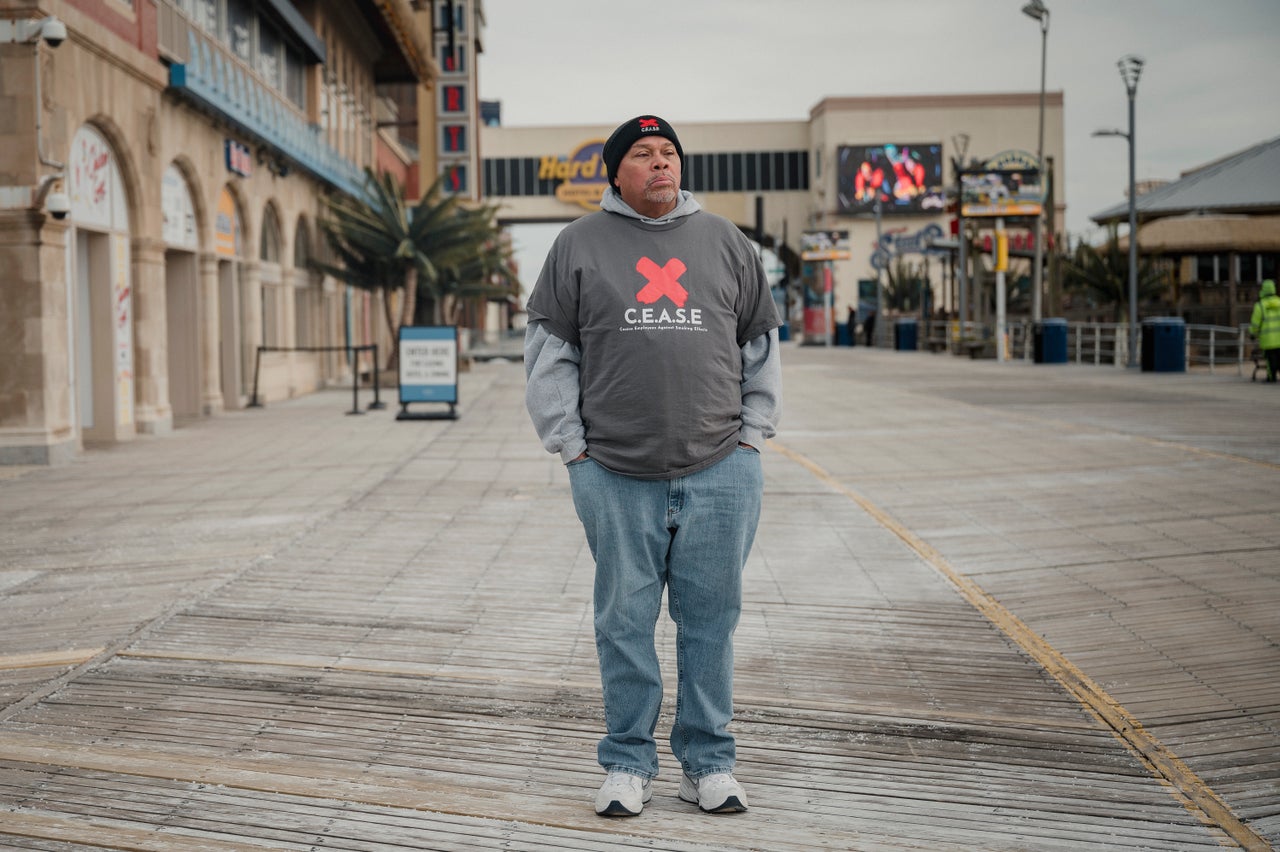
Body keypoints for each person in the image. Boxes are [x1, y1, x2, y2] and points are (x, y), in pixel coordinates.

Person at [523, 115, 782, 818]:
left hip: (721, 466)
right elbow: (550, 356)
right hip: (612, 470)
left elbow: (759, 347)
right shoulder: (578, 245)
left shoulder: (726, 242)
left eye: (669, 153)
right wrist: (572, 450)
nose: (660, 164)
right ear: (616, 172)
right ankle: (627, 764)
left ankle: (709, 763)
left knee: (710, 620)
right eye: (643, 154)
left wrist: (754, 438)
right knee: (624, 621)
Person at [1250, 279, 1280, 382]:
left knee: (1270, 360)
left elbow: (1255, 324)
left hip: (1267, 340)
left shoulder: (1260, 306)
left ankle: (1272, 377)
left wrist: (1253, 334)